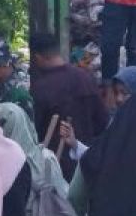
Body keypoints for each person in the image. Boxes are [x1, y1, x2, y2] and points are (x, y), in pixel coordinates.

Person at [29, 31, 108, 180]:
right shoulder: (86, 78)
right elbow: (102, 122)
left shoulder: (41, 88)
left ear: (37, 57)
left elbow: (35, 133)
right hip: (87, 163)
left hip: (55, 169)